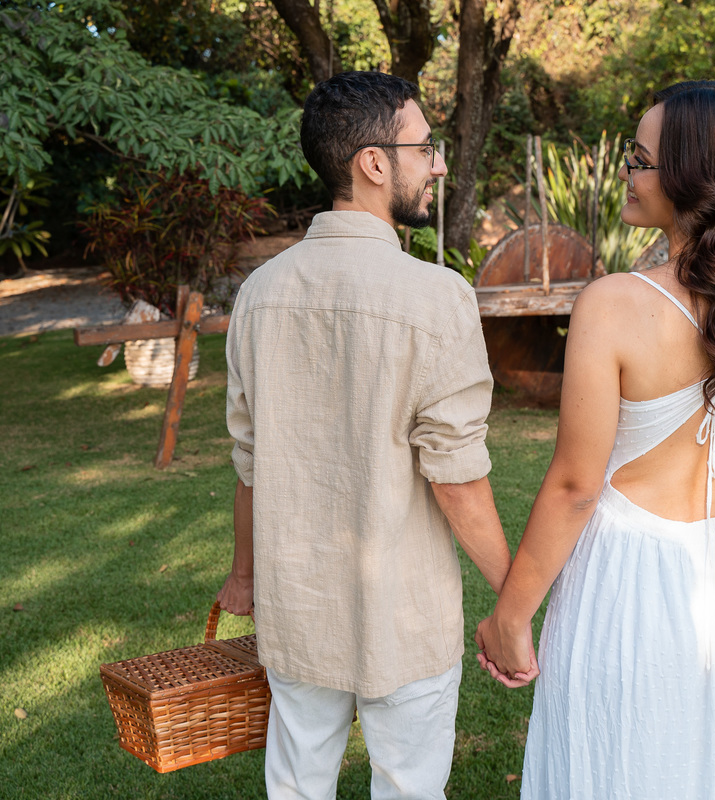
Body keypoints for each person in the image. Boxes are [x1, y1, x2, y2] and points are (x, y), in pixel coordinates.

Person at [475, 80, 715, 799]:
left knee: (613, 763)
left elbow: (576, 488)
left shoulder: (612, 304)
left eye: (640, 161)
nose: (628, 174)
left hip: (623, 579)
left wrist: (510, 616)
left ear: (693, 178)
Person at [218, 71, 515, 800]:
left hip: (297, 604)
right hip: (404, 614)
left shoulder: (259, 294)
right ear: (374, 163)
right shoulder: (437, 296)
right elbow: (456, 476)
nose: (437, 165)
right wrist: (515, 594)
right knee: (410, 789)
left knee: (295, 788)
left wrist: (246, 575)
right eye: (425, 147)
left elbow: (250, 462)